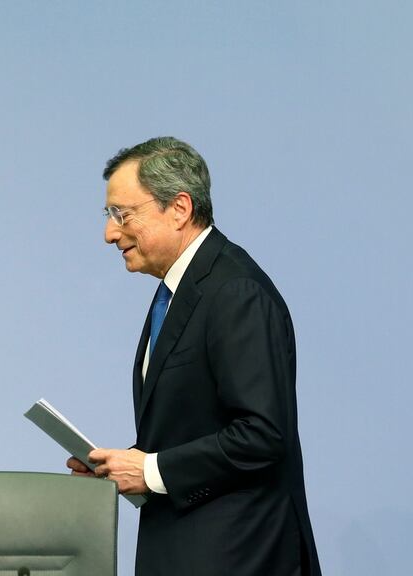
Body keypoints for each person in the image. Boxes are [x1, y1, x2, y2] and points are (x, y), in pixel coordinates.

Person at [66, 136, 322, 576]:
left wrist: (150, 470)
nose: (110, 232)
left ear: (179, 208)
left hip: (239, 556)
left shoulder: (234, 291)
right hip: (190, 549)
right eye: (109, 215)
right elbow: (196, 427)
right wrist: (125, 466)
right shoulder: (180, 288)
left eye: (121, 214)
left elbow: (263, 434)